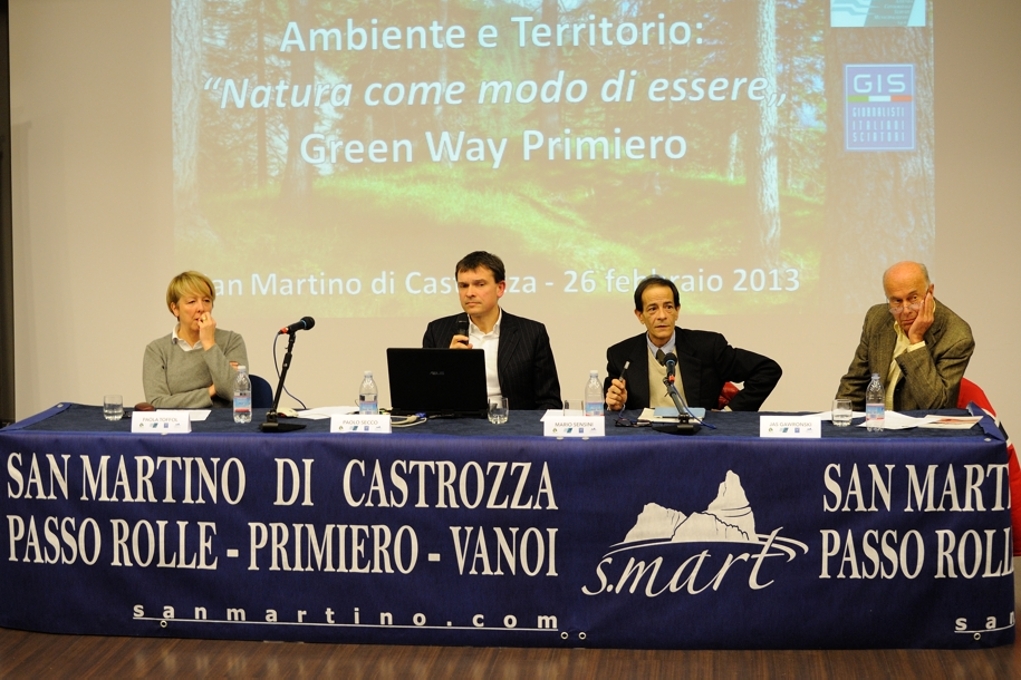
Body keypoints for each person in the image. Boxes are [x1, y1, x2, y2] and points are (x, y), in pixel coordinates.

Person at [604, 275, 781, 412]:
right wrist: (617, 405)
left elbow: (767, 370)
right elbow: (611, 405)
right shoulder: (621, 355)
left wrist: (731, 413)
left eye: (668, 307)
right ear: (640, 315)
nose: (662, 316)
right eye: (652, 309)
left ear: (677, 311)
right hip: (646, 439)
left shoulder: (708, 347)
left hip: (697, 437)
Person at [422, 251, 562, 410]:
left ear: (500, 288)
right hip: (459, 423)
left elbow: (549, 401)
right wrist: (448, 365)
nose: (469, 293)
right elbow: (426, 398)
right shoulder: (437, 331)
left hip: (514, 423)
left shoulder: (531, 333)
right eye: (463, 286)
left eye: (480, 284)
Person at [836, 261, 974, 411]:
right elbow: (855, 384)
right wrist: (840, 419)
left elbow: (938, 407)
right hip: (876, 422)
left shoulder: (957, 336)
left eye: (913, 298)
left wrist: (916, 341)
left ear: (930, 292)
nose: (906, 310)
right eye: (897, 301)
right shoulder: (876, 318)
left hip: (921, 425)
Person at [143, 271, 248, 408]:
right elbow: (157, 403)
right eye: (192, 302)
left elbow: (234, 391)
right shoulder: (157, 350)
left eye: (207, 301)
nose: (201, 308)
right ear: (175, 309)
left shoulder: (231, 341)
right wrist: (212, 390)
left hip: (222, 421)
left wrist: (209, 343)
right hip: (177, 422)